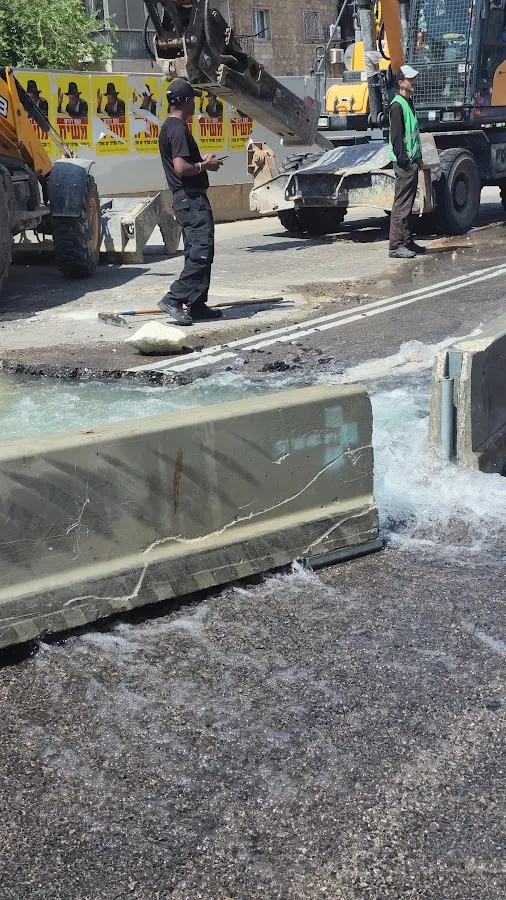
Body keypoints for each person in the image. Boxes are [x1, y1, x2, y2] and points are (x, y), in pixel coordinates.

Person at [158, 79, 224, 324]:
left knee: (198, 251)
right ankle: (173, 299)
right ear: (186, 101)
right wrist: (205, 166)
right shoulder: (177, 129)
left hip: (187, 200)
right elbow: (181, 168)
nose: (195, 103)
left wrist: (202, 162)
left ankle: (196, 304)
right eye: (193, 99)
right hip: (191, 200)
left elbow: (184, 164)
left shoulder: (170, 127)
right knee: (201, 253)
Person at [388, 64, 426, 259]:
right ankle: (396, 246)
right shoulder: (397, 105)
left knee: (407, 205)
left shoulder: (407, 102)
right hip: (404, 164)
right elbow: (397, 139)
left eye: (414, 79)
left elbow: (412, 135)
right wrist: (405, 162)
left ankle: (407, 242)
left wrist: (417, 158)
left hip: (410, 162)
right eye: (410, 79)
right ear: (401, 82)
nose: (414, 82)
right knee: (401, 205)